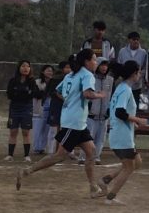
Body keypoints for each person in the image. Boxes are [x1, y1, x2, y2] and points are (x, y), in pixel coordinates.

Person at [17, 49, 111, 197]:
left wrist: (68, 101)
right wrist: (100, 95)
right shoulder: (87, 75)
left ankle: (93, 187)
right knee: (59, 156)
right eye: (94, 59)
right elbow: (87, 93)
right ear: (86, 62)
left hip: (77, 121)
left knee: (91, 152)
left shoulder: (70, 75)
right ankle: (26, 171)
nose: (96, 63)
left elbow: (58, 90)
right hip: (74, 121)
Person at [101, 60, 149, 205]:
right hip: (121, 135)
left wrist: (133, 122)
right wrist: (138, 120)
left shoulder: (121, 88)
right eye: (139, 72)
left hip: (122, 133)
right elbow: (120, 112)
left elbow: (116, 111)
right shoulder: (125, 90)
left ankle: (106, 180)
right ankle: (110, 197)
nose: (140, 75)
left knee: (137, 162)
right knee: (129, 167)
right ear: (134, 74)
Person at [4, 60, 38, 162]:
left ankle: (26, 156)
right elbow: (10, 94)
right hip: (14, 108)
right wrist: (24, 93)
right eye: (23, 66)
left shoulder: (32, 81)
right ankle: (10, 155)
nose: (25, 68)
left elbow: (33, 94)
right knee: (13, 131)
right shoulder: (13, 80)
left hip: (26, 108)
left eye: (28, 66)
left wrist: (20, 94)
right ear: (19, 68)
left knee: (25, 132)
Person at [86, 58, 114, 164]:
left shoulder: (110, 80)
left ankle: (96, 157)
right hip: (91, 114)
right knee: (88, 137)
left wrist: (109, 109)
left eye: (106, 65)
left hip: (104, 114)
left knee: (101, 138)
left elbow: (111, 96)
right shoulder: (90, 78)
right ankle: (84, 157)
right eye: (102, 65)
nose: (104, 67)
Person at [45, 59, 71, 155]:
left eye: (70, 67)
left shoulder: (72, 79)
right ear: (62, 68)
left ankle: (63, 151)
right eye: (67, 67)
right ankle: (51, 151)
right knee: (54, 129)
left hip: (67, 107)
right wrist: (62, 97)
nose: (69, 70)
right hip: (56, 106)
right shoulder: (55, 79)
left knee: (65, 129)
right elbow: (51, 92)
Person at [116, 31, 148, 104]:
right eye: (134, 39)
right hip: (124, 83)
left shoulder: (143, 52)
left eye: (137, 39)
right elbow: (119, 65)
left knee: (135, 105)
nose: (136, 41)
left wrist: (138, 76)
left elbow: (145, 68)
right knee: (123, 103)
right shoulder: (122, 51)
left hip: (137, 85)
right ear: (129, 40)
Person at [31, 64, 53, 154]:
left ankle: (42, 148)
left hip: (50, 109)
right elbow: (36, 94)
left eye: (51, 71)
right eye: (48, 70)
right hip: (39, 109)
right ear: (43, 72)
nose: (50, 72)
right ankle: (36, 148)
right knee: (37, 130)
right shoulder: (37, 82)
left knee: (46, 130)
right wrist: (47, 92)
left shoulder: (53, 82)